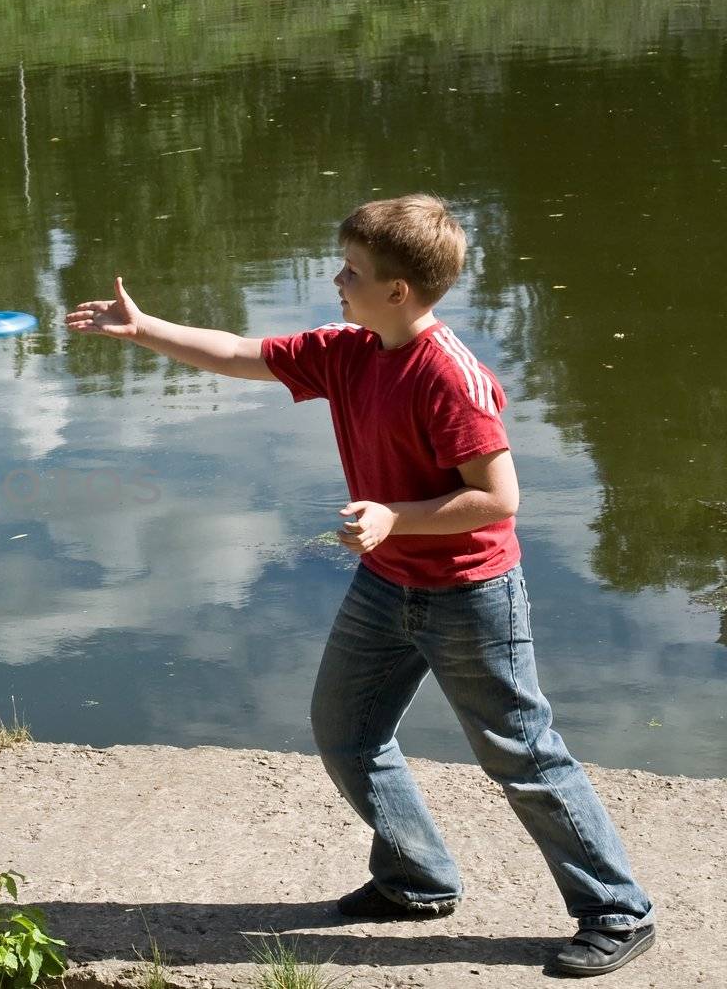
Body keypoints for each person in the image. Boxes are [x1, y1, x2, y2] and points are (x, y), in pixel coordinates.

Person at [67, 194, 653, 977]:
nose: (336, 278)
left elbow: (498, 498)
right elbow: (243, 353)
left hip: (470, 595)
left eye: (352, 269)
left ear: (399, 291)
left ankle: (618, 907)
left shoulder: (450, 377)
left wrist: (393, 517)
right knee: (345, 730)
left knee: (522, 753)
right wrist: (145, 330)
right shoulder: (349, 350)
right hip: (386, 585)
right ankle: (417, 878)